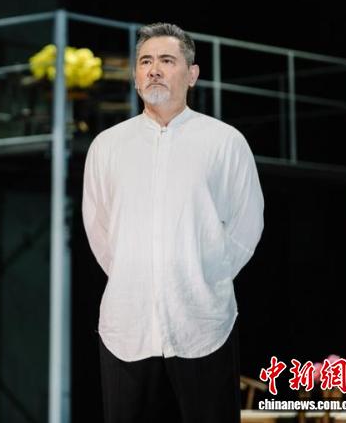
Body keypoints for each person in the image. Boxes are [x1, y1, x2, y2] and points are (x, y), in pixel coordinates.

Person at [82, 23, 264, 423]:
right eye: (145, 62)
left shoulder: (224, 141)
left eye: (167, 60)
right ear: (135, 75)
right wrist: (135, 274)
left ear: (192, 74)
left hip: (202, 323)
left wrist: (205, 277)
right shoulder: (107, 146)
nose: (154, 70)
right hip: (127, 325)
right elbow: (99, 228)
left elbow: (246, 224)